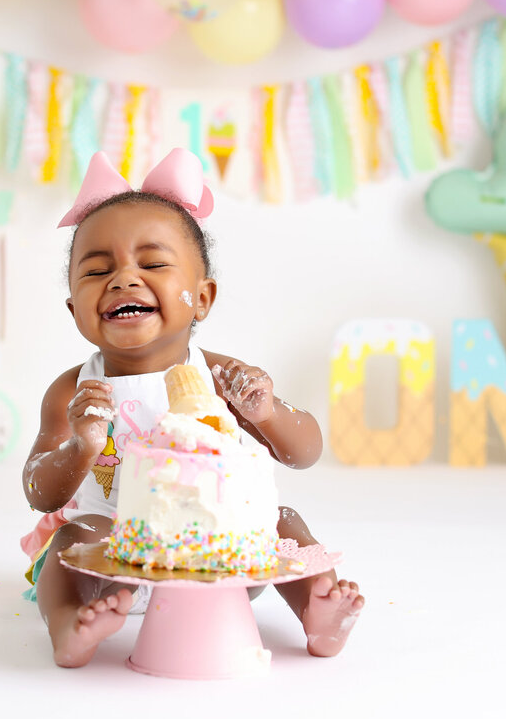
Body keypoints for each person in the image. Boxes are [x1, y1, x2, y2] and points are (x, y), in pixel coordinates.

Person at [21, 148, 364, 668]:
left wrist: (267, 413)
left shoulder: (222, 377)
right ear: (74, 308)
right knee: (68, 539)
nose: (123, 280)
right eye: (96, 271)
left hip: (222, 557)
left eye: (153, 263)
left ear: (202, 298)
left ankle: (317, 604)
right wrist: (82, 444)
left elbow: (306, 451)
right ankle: (69, 623)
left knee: (285, 521)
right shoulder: (75, 391)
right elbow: (38, 493)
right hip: (112, 554)